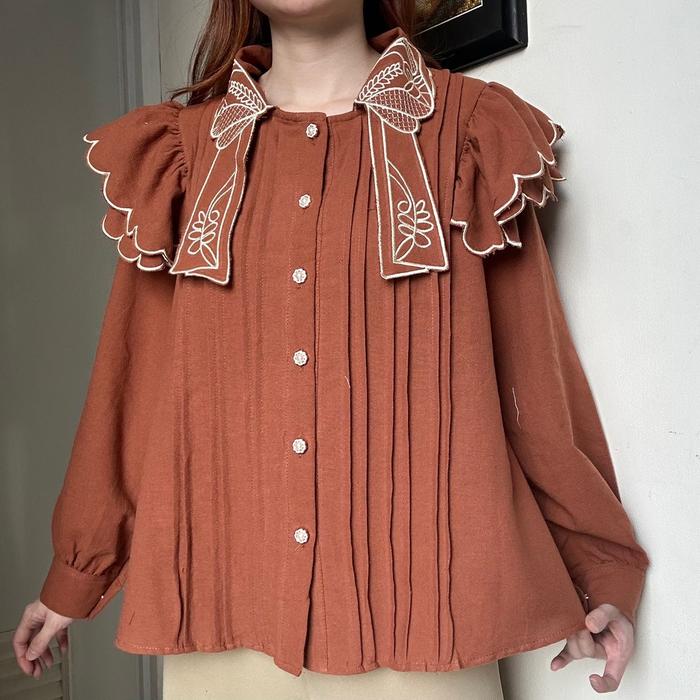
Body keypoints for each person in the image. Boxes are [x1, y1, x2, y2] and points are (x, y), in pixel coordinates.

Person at [13, 0, 650, 697]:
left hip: (427, 630)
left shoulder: (472, 135)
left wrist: (598, 570)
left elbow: (534, 381)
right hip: (224, 624)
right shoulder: (182, 159)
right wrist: (77, 573)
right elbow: (132, 389)